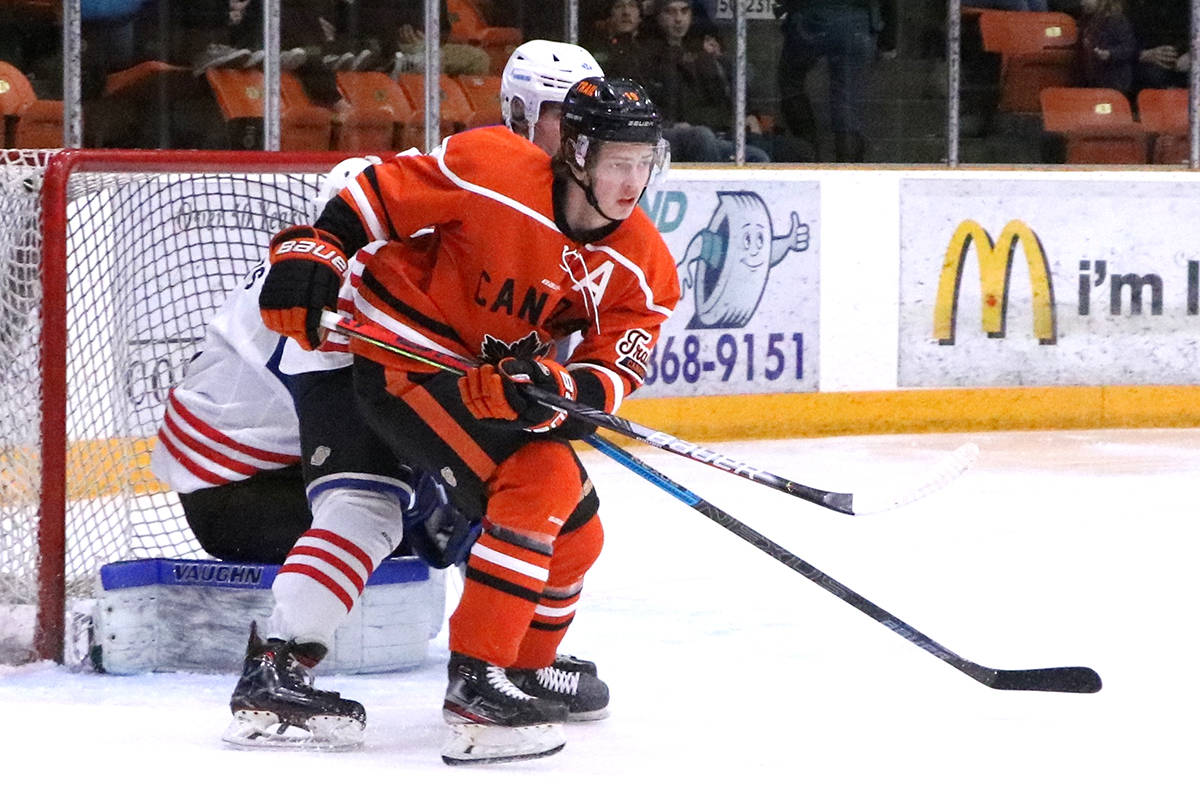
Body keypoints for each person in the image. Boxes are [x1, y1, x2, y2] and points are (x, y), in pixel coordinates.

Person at [256, 75, 679, 763]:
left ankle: (519, 666)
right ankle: (476, 688)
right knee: (541, 477)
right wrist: (316, 255)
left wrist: (554, 391)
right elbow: (373, 200)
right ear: (575, 153)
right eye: (615, 161)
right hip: (405, 362)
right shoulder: (491, 168)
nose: (631, 182)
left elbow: (606, 378)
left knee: (578, 526)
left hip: (485, 388)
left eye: (643, 162)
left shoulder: (642, 267)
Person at [776, 0, 898, 162]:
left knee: (790, 80)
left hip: (809, 17)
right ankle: (849, 167)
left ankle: (807, 151)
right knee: (846, 101)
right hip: (856, 21)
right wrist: (888, 40)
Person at [1078, 0, 1137, 95]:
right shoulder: (1086, 20)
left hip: (1114, 82)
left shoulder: (1116, 20)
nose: (1082, 3)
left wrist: (1110, 54)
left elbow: (1129, 48)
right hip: (1093, 79)